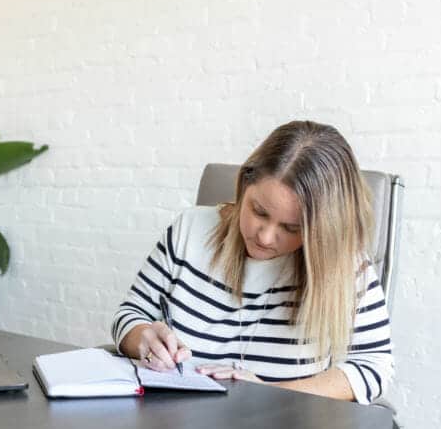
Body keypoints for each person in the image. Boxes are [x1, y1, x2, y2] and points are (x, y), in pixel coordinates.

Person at [111, 121, 393, 404]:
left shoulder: (345, 266)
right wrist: (144, 339)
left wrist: (271, 394)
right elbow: (130, 313)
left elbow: (374, 367)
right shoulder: (190, 230)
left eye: (292, 228)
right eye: (259, 211)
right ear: (244, 185)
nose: (266, 237)